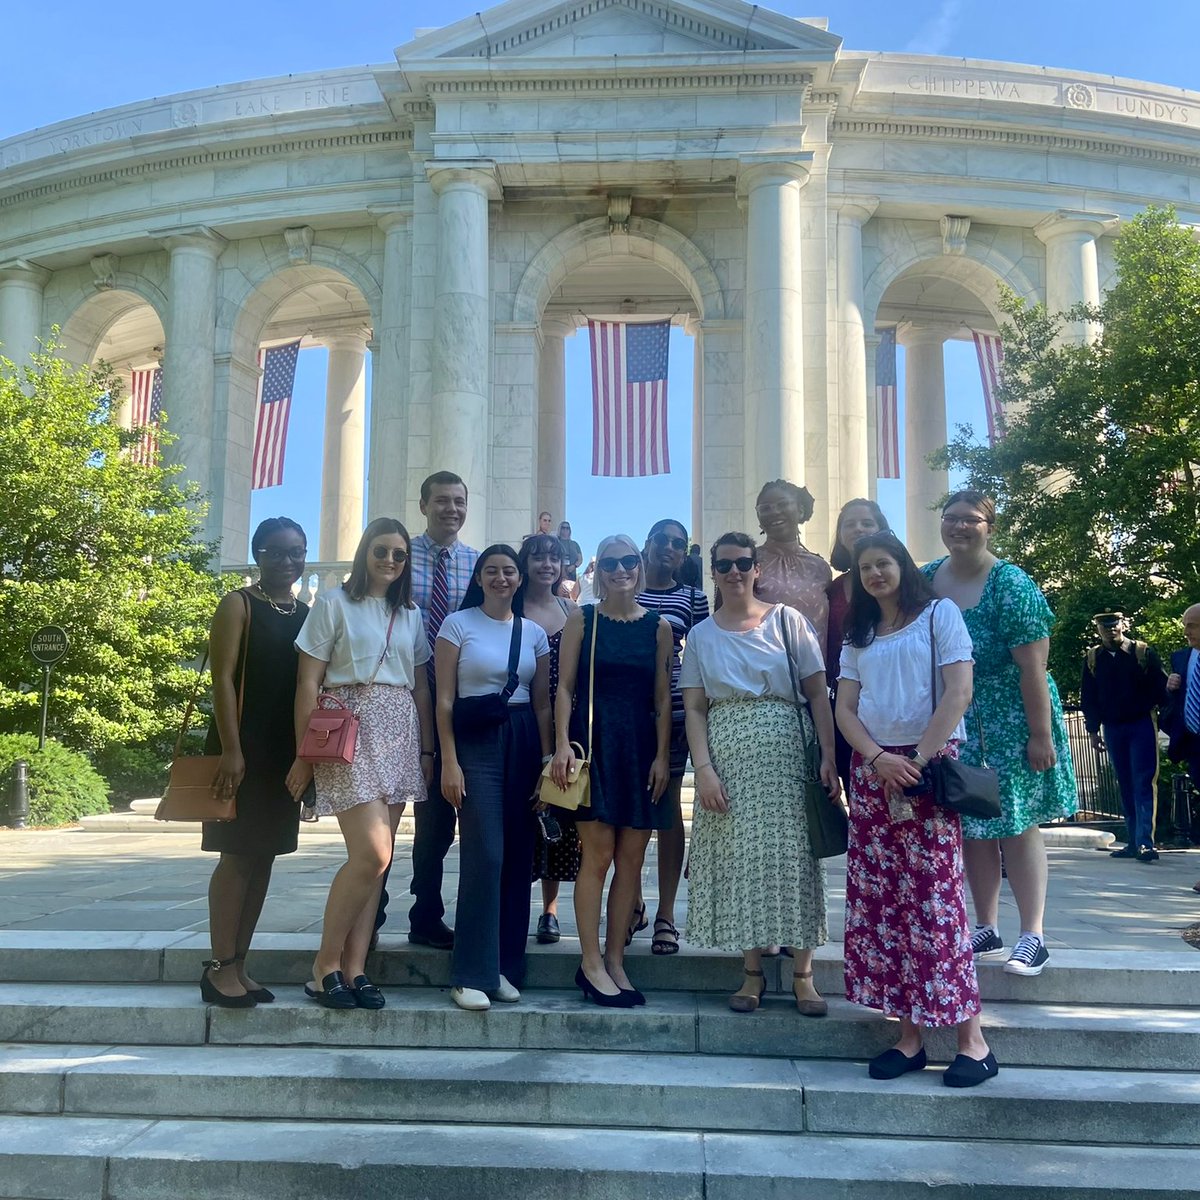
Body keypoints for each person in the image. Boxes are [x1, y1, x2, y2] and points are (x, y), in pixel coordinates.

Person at [837, 531, 997, 1088]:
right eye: (865, 568)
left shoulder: (939, 614)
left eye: (884, 563)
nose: (876, 574)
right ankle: (908, 1038)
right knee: (887, 907)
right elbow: (845, 709)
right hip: (874, 773)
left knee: (936, 905)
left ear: (902, 565)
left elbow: (959, 692)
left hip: (927, 772)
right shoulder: (858, 633)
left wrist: (918, 761)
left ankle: (972, 1042)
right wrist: (879, 758)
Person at [681, 533, 837, 1016]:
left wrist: (828, 757)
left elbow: (816, 694)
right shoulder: (703, 634)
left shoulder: (788, 622)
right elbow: (694, 709)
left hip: (787, 751)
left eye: (743, 563)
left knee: (795, 856)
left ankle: (804, 974)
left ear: (757, 568)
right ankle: (751, 973)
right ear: (712, 571)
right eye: (724, 564)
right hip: (728, 754)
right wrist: (703, 770)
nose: (734, 572)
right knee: (742, 860)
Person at [923, 491, 1077, 978]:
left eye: (971, 520)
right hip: (961, 715)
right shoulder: (927, 578)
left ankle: (1034, 934)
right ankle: (985, 926)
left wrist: (1040, 735)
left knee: (1017, 822)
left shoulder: (1011, 584)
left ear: (990, 526)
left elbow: (1033, 667)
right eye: (951, 518)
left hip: (1012, 714)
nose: (960, 527)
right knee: (972, 823)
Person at [289, 518, 434, 1010]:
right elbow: (308, 683)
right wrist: (303, 755)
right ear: (363, 552)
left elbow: (419, 685)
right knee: (371, 853)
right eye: (382, 551)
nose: (391, 561)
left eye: (399, 553)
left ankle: (355, 967)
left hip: (398, 729)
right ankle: (323, 965)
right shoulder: (333, 603)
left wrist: (427, 749)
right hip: (346, 727)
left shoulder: (409, 612)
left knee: (381, 861)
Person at [550, 535, 672, 1007]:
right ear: (599, 570)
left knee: (632, 861)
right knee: (597, 857)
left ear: (639, 567)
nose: (621, 569)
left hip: (640, 750)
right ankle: (590, 962)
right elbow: (563, 688)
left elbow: (662, 699)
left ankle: (616, 958)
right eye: (612, 562)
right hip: (595, 746)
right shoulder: (583, 619)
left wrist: (662, 756)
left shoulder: (659, 627)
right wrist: (562, 745)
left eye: (630, 561)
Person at [436, 544, 552, 1010]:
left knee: (519, 857)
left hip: (525, 739)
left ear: (519, 578)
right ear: (479, 578)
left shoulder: (535, 633)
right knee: (485, 854)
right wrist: (449, 760)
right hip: (477, 742)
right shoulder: (457, 625)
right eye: (492, 571)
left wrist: (547, 764)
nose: (501, 578)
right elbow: (444, 700)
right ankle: (470, 973)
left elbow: (542, 702)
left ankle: (503, 966)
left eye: (508, 571)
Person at [200, 517, 310, 1008]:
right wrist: (231, 749)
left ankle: (240, 964)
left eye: (295, 552)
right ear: (257, 554)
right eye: (275, 552)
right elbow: (222, 679)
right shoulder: (238, 604)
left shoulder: (306, 613)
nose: (286, 562)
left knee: (265, 855)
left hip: (283, 751)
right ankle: (218, 966)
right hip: (240, 748)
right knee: (237, 855)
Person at [403, 471, 479, 950]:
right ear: (424, 504)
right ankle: (407, 911)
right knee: (421, 817)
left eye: (459, 501)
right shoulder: (398, 556)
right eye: (442, 501)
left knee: (457, 816)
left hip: (463, 699)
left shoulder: (478, 564)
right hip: (409, 693)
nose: (451, 509)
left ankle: (449, 913)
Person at [634, 518, 709, 955]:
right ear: (647, 544)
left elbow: (699, 657)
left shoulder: (693, 599)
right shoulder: (621, 584)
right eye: (660, 539)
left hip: (675, 713)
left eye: (677, 544)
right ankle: (635, 904)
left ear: (685, 554)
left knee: (665, 811)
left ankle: (665, 913)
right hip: (626, 712)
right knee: (629, 813)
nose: (668, 548)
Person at [514, 534, 580, 943]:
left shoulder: (572, 611)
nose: (546, 565)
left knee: (556, 819)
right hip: (521, 721)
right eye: (537, 557)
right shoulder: (511, 608)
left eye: (553, 558)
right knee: (522, 815)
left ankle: (550, 910)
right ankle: (514, 902)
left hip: (564, 726)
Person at [1080, 612, 1167, 862]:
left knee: (1143, 782)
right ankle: (1132, 842)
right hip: (1113, 727)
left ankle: (1145, 844)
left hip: (1140, 724)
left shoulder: (1142, 652)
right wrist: (1093, 731)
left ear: (1123, 625)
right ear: (1098, 628)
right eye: (1104, 626)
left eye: (1114, 624)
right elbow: (1089, 697)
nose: (1110, 629)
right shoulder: (1093, 658)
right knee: (1125, 784)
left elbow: (1161, 689)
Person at [826, 499, 890, 789]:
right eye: (849, 524)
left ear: (881, 528)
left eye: (866, 522)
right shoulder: (834, 589)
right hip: (846, 706)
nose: (858, 529)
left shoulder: (899, 584)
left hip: (891, 705)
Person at [752, 479, 833, 647]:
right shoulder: (747, 563)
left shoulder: (820, 568)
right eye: (765, 508)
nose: (774, 512)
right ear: (759, 518)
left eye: (782, 505)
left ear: (800, 511)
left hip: (816, 670)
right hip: (760, 669)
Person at [1159, 603, 1200, 890]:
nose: (1186, 631)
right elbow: (1175, 703)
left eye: (1192, 625)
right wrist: (1171, 688)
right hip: (1194, 744)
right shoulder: (1182, 658)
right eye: (1185, 625)